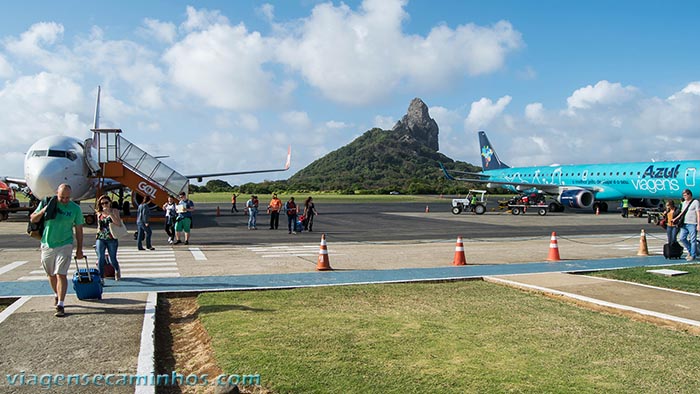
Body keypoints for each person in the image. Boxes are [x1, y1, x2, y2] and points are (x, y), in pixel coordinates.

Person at [30, 184, 84, 317]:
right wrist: (44, 210)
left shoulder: (75, 209)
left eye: (67, 197)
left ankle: (61, 303)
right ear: (56, 193)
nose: (65, 200)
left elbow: (79, 230)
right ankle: (56, 293)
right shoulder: (48, 202)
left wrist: (79, 249)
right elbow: (33, 218)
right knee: (51, 274)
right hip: (47, 243)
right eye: (62, 197)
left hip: (65, 244)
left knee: (61, 273)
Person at [95, 195, 122, 281]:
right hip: (101, 237)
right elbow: (99, 225)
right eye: (102, 203)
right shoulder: (99, 212)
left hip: (111, 237)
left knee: (112, 258)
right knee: (100, 258)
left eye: (106, 203)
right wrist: (97, 235)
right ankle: (101, 277)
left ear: (110, 203)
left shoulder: (114, 211)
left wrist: (110, 214)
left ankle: (117, 270)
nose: (104, 205)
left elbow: (118, 223)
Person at [673, 189, 700, 261]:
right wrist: (676, 218)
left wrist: (698, 224)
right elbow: (682, 212)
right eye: (683, 195)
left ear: (689, 195)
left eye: (685, 195)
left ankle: (693, 255)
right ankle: (691, 251)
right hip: (684, 223)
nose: (684, 197)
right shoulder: (684, 203)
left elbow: (698, 213)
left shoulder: (695, 202)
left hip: (693, 223)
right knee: (682, 238)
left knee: (693, 240)